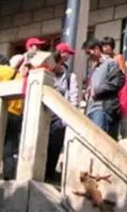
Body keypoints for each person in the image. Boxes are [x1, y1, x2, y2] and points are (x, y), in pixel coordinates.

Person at [0, 53, 26, 180]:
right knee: (9, 146)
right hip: (17, 115)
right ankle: (9, 174)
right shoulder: (19, 75)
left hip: (2, 113)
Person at [45, 42, 79, 183]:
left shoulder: (70, 76)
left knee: (55, 146)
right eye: (66, 54)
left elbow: (73, 98)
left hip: (59, 117)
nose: (68, 57)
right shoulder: (46, 72)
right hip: (45, 115)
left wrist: (68, 118)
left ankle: (49, 174)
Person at [83, 39, 125, 139]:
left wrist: (98, 90)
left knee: (100, 140)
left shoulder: (110, 63)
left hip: (103, 108)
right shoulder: (93, 68)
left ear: (97, 49)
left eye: (89, 52)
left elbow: (119, 80)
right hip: (91, 109)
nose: (89, 56)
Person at [100, 37, 127, 136]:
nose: (105, 48)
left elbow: (123, 74)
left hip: (118, 88)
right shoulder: (101, 60)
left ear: (112, 46)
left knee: (119, 111)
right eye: (103, 46)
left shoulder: (118, 58)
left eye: (107, 45)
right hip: (105, 89)